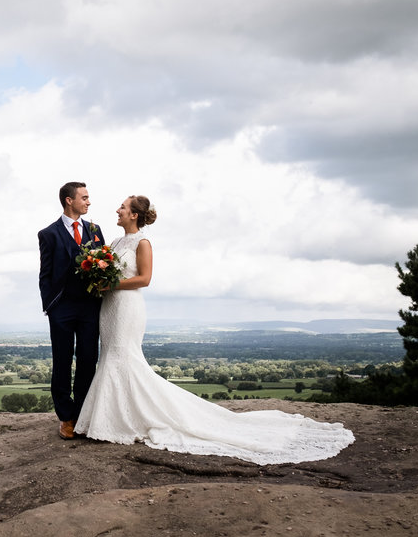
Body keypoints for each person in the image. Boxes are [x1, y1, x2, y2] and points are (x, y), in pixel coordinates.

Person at [74, 195, 355, 464]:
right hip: (109, 308)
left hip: (127, 308)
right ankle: (118, 417)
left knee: (124, 357)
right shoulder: (115, 241)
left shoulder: (143, 242)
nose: (118, 210)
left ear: (134, 214)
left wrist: (111, 284)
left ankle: (126, 420)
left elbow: (145, 279)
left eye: (122, 207)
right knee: (111, 356)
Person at [38, 182, 105, 440]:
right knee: (63, 362)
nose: (88, 202)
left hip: (90, 307)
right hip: (62, 309)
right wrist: (51, 307)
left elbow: (102, 262)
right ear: (69, 200)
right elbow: (44, 274)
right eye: (84, 198)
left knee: (88, 360)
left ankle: (83, 414)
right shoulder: (49, 234)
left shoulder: (94, 230)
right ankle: (66, 417)